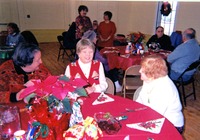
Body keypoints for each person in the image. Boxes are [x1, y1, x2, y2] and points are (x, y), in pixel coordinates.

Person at [136, 55, 184, 134]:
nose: (140, 71)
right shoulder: (149, 80)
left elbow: (155, 115)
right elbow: (139, 100)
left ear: (152, 72)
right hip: (154, 118)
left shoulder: (164, 88)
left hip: (171, 125)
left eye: (143, 69)